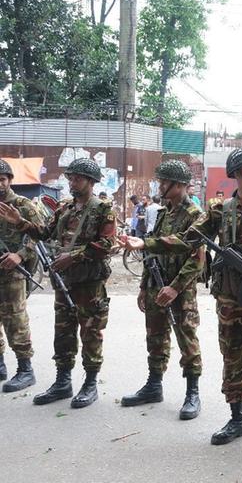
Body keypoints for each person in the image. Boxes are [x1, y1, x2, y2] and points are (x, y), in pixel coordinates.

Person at [138, 148, 242, 447]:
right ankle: (237, 419)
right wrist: (145, 243)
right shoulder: (219, 211)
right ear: (236, 173)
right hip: (230, 300)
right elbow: (187, 240)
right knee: (232, 358)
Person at [0, 158, 115, 409]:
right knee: (63, 333)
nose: (72, 182)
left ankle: (90, 384)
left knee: (91, 333)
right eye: (70, 178)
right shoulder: (65, 209)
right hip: (65, 282)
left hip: (89, 283)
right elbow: (43, 233)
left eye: (77, 178)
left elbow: (108, 245)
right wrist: (19, 222)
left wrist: (72, 256)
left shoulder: (103, 209)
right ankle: (63, 382)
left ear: (91, 182)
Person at [118, 161, 204, 420]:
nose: (160, 186)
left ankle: (192, 392)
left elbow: (197, 258)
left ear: (178, 185)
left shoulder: (194, 214)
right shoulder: (165, 212)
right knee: (155, 336)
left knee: (186, 338)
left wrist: (175, 288)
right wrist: (145, 286)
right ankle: (154, 385)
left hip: (180, 289)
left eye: (165, 182)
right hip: (156, 284)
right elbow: (152, 252)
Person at [0, 158, 45, 393]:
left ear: (9, 180)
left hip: (13, 274)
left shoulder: (22, 205)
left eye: (2, 179)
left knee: (15, 321)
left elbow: (39, 233)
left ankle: (25, 369)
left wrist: (19, 254)